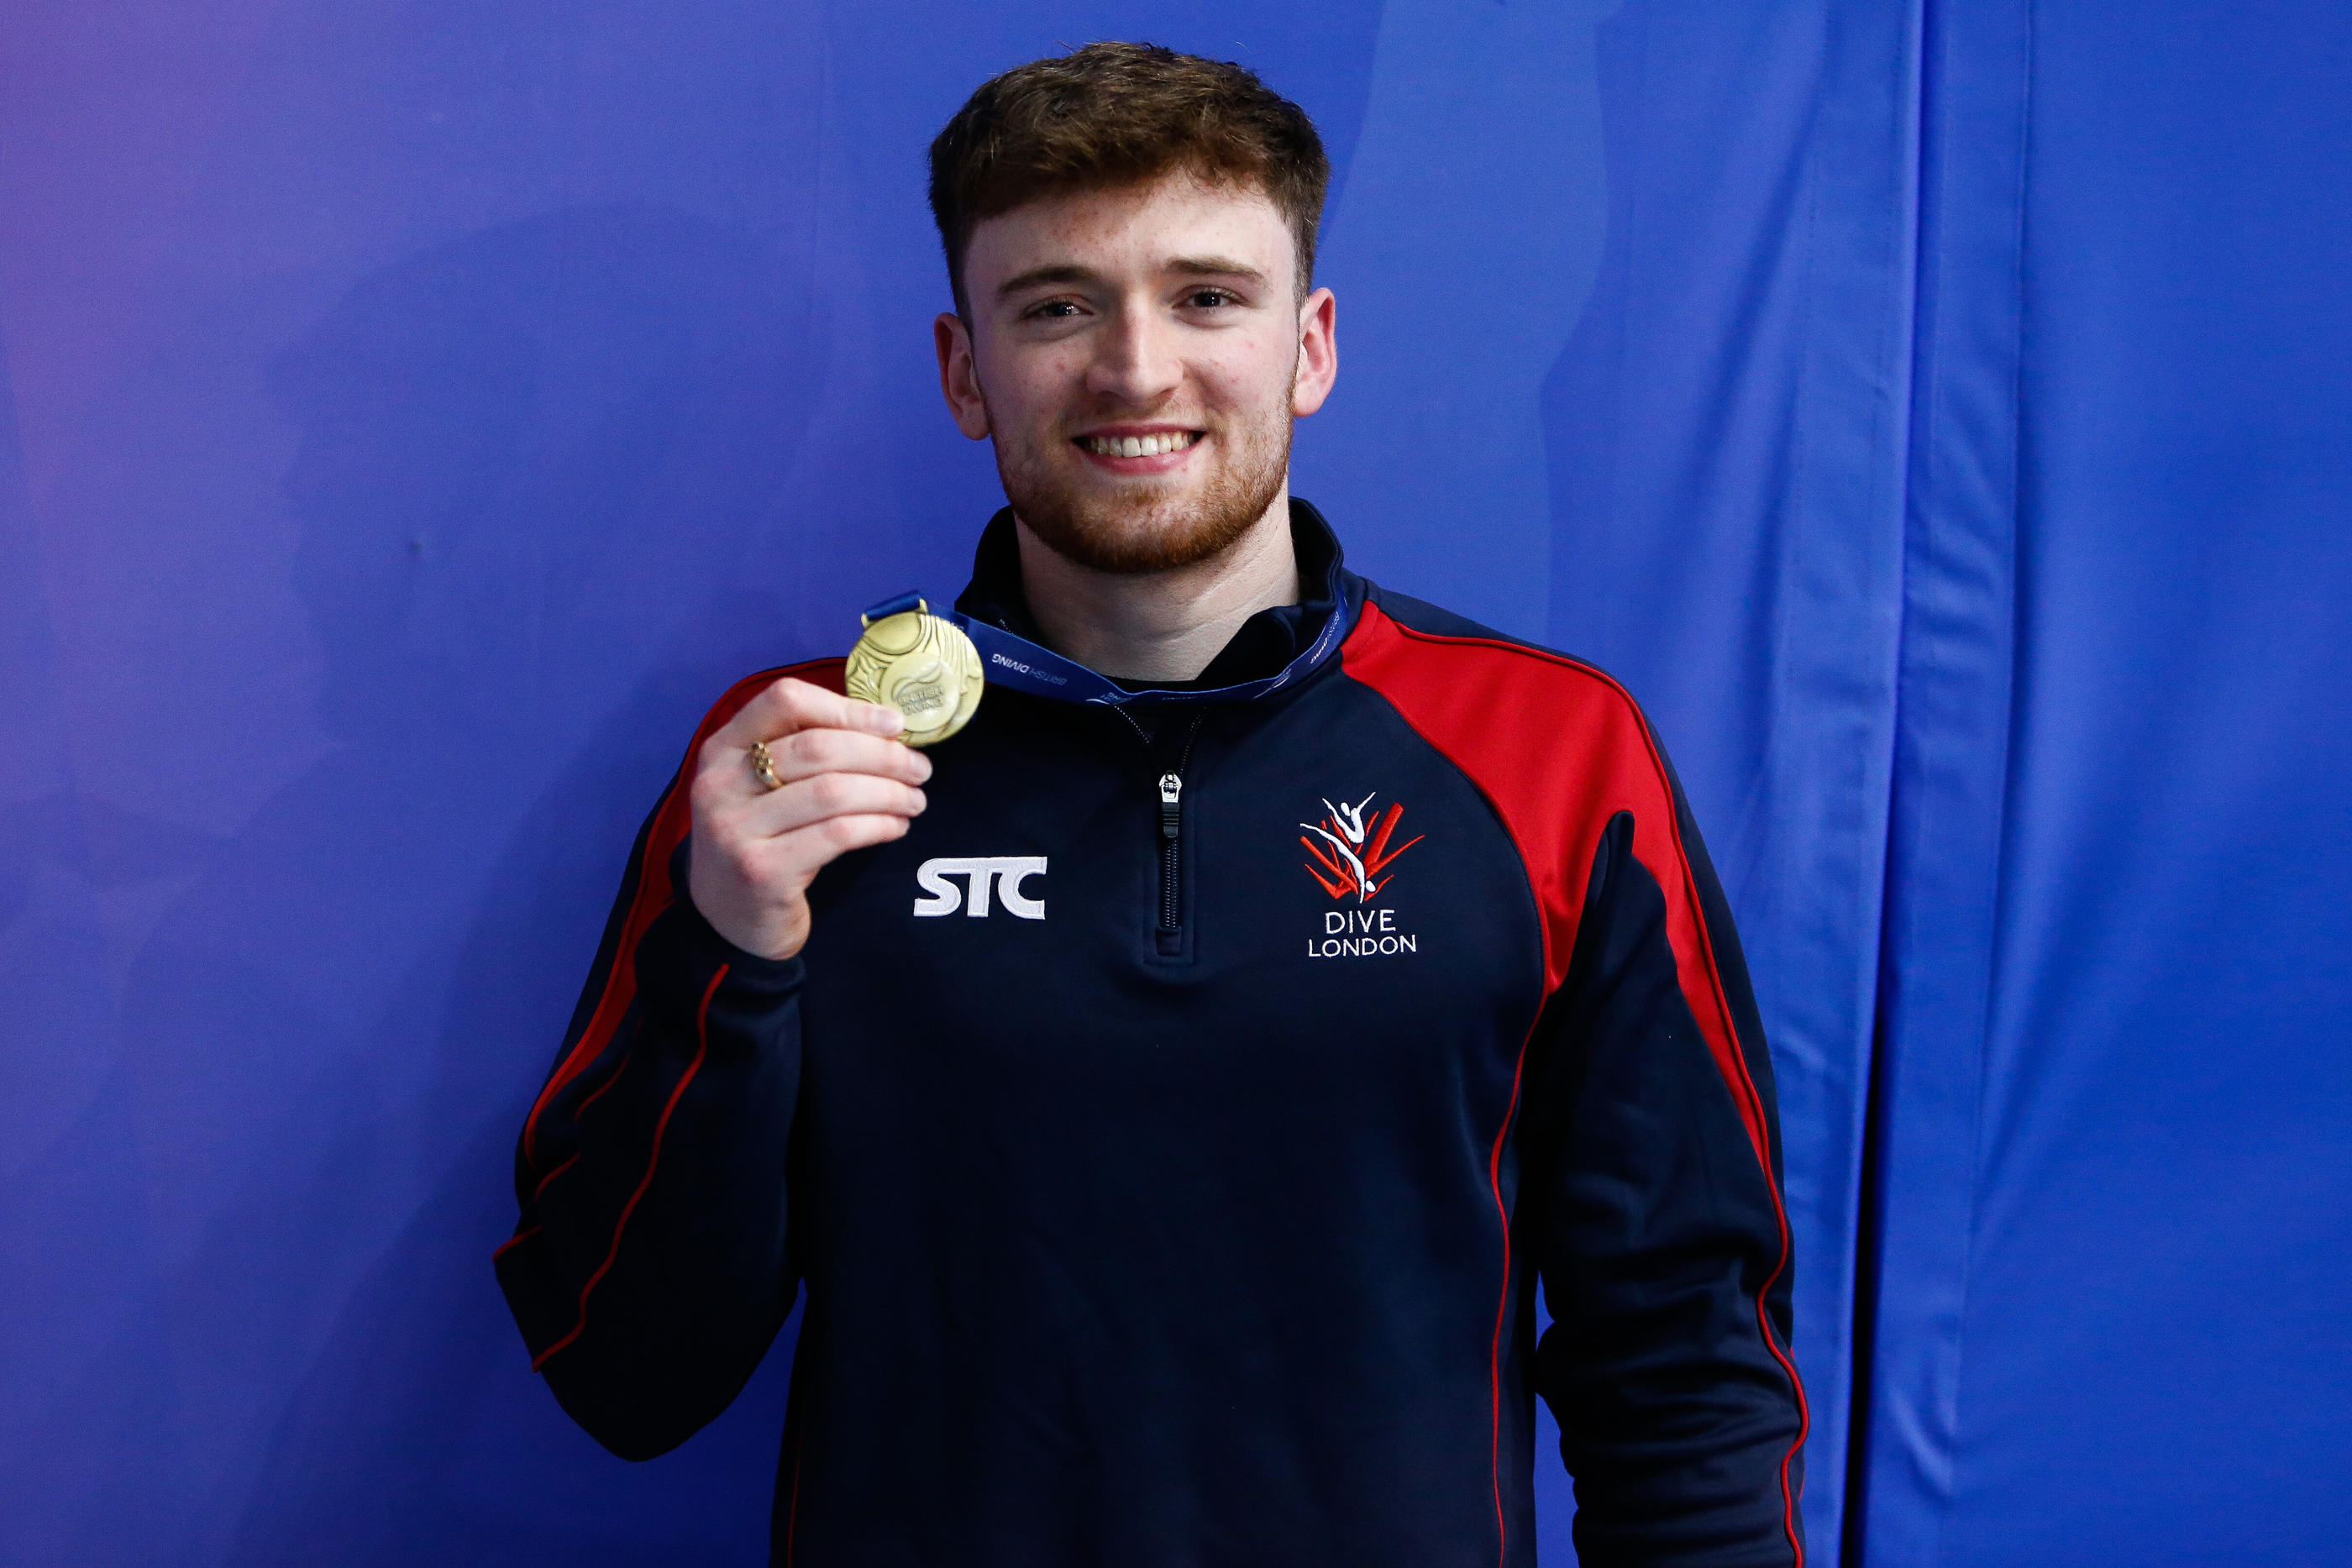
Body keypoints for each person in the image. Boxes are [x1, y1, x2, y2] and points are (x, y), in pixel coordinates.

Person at [496, 41, 1806, 1568]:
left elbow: (1685, 1346)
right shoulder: (793, 771)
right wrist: (731, 957)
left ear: (1310, 345)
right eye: (1057, 306)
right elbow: (621, 1369)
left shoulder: (1553, 753)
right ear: (964, 370)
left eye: (1207, 296)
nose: (1134, 368)